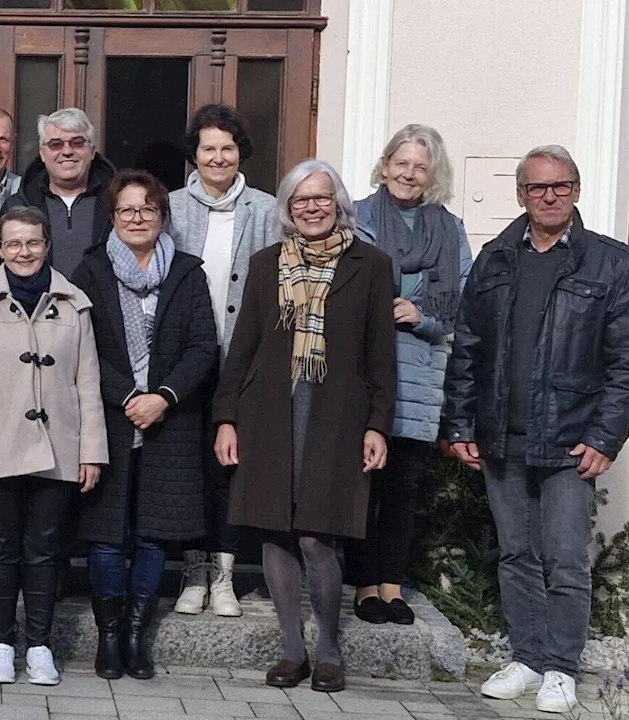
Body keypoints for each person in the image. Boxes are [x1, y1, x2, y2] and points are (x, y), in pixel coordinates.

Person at [444, 145, 629, 714]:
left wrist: (606, 438)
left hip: (570, 438)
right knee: (516, 554)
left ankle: (561, 667)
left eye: (561, 186)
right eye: (538, 188)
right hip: (501, 436)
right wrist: (460, 421)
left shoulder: (614, 264)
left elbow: (628, 362)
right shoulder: (494, 260)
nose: (550, 196)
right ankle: (528, 658)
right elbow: (468, 349)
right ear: (521, 196)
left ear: (577, 190)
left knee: (564, 557)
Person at [213, 159, 396, 693]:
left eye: (321, 198)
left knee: (318, 536)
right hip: (268, 413)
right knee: (274, 532)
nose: (312, 208)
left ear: (339, 204)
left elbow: (381, 355)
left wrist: (377, 425)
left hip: (337, 416)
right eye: (301, 200)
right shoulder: (267, 264)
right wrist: (226, 418)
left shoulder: (371, 263)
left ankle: (330, 650)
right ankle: (292, 651)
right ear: (288, 210)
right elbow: (242, 345)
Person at [0, 205, 108, 686]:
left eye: (33, 242)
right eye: (13, 243)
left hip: (58, 445)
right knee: (0, 549)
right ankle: (1, 643)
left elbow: (88, 382)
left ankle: (39, 646)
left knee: (44, 550)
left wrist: (91, 451)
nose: (24, 252)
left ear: (47, 245)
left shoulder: (74, 303)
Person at [71, 169, 218, 681]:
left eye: (147, 209)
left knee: (155, 533)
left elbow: (204, 347)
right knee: (107, 534)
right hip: (109, 418)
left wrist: (163, 397)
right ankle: (109, 637)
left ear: (162, 216)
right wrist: (129, 395)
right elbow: (79, 343)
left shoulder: (187, 272)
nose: (137, 218)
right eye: (127, 209)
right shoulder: (90, 272)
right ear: (112, 217)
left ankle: (136, 635)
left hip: (170, 422)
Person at [343, 124, 473, 625]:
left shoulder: (450, 229)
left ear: (432, 174)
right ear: (385, 163)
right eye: (402, 162)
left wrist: (424, 318)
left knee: (402, 489)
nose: (409, 173)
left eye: (420, 166)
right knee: (363, 485)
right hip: (364, 368)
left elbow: (465, 300)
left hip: (420, 374)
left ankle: (391, 585)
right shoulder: (357, 217)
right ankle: (362, 585)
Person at [167, 103, 277, 618]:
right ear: (194, 155)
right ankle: (194, 570)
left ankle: (227, 574)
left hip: (244, 360)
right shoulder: (168, 208)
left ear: (240, 153)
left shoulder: (268, 209)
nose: (217, 157)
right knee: (189, 466)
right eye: (207, 148)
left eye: (227, 148)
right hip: (185, 361)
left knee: (230, 467)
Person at [7, 108, 116, 277]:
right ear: (42, 153)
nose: (67, 152)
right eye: (55, 144)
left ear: (92, 151)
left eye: (77, 143)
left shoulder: (117, 204)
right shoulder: (17, 206)